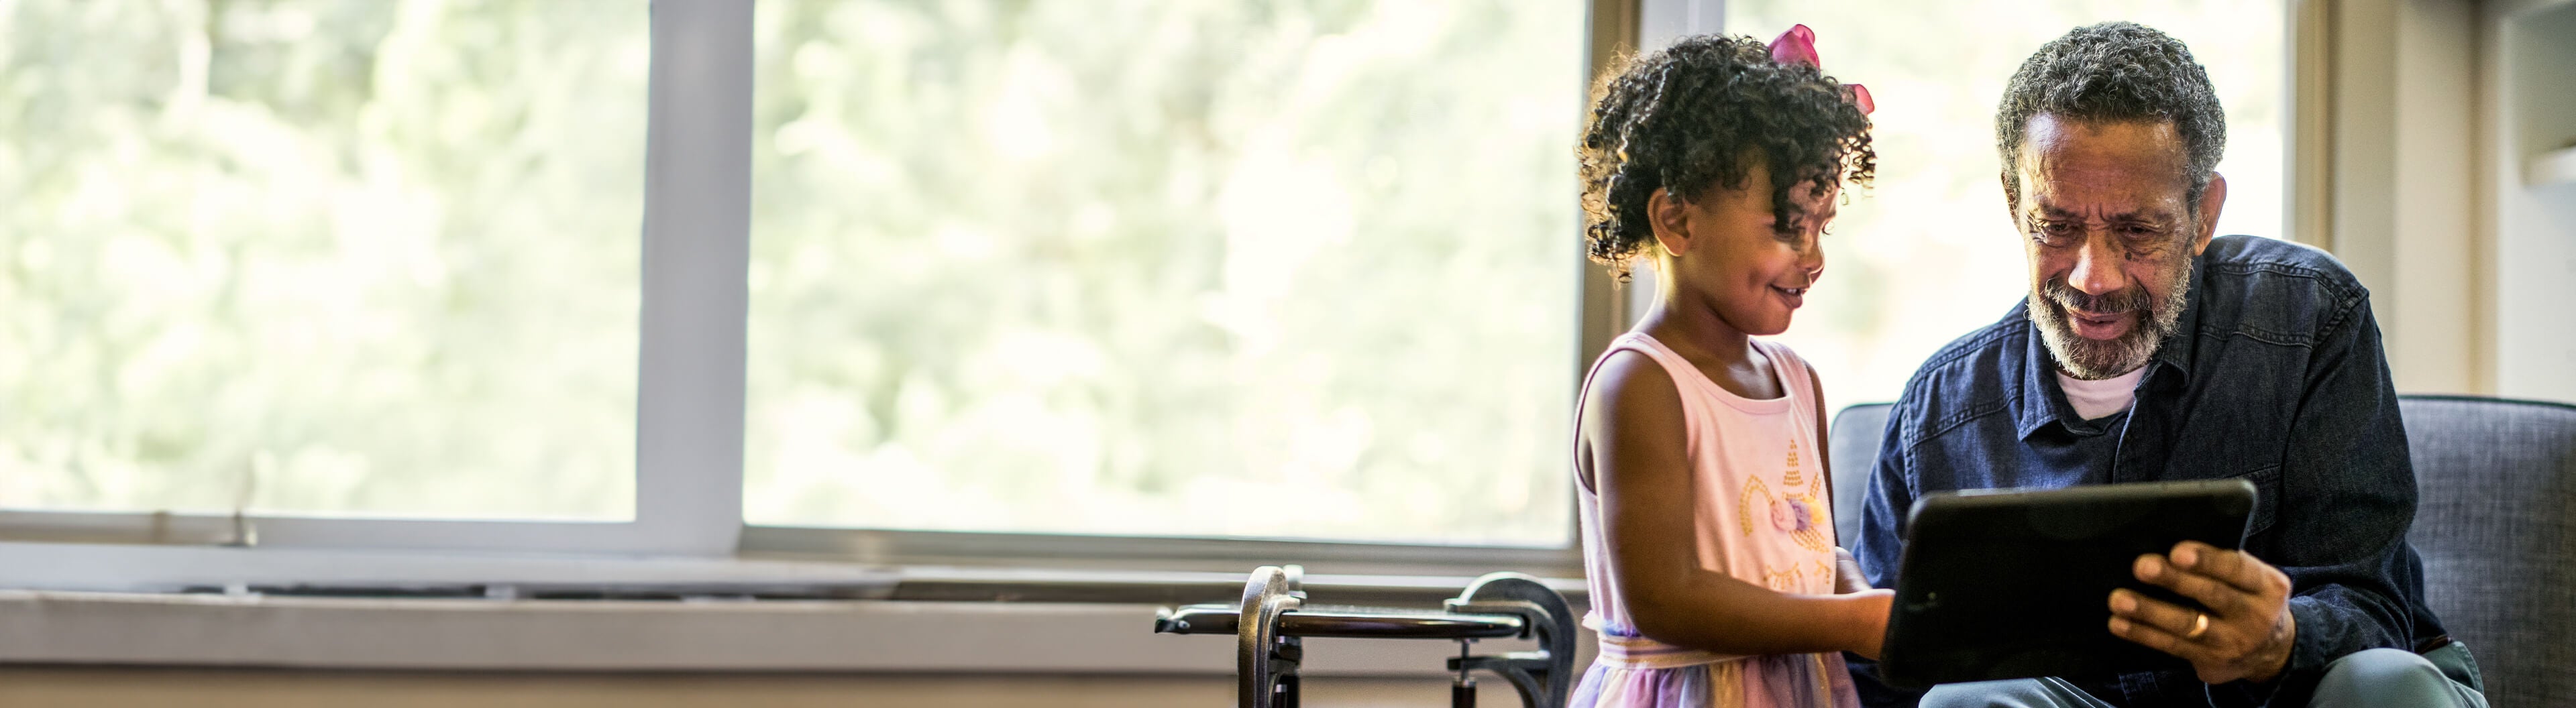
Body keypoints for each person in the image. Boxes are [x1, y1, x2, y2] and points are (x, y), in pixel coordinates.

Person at [1849, 21, 2487, 708]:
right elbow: (1881, 676)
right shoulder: (1942, 412)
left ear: (2203, 214)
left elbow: (2375, 609)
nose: (2094, 278)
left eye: (2137, 231)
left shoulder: (2310, 320)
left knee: (2383, 685)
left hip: (2303, 696)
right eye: (2056, 226)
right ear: (2014, 204)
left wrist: (2279, 640)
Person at [1568, 26, 1884, 708]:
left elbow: (1814, 551)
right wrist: (1851, 622)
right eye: (1787, 226)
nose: (1815, 256)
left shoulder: (1798, 382)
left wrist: (1864, 597)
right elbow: (1666, 598)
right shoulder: (1640, 385)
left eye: (1822, 228)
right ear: (1677, 223)